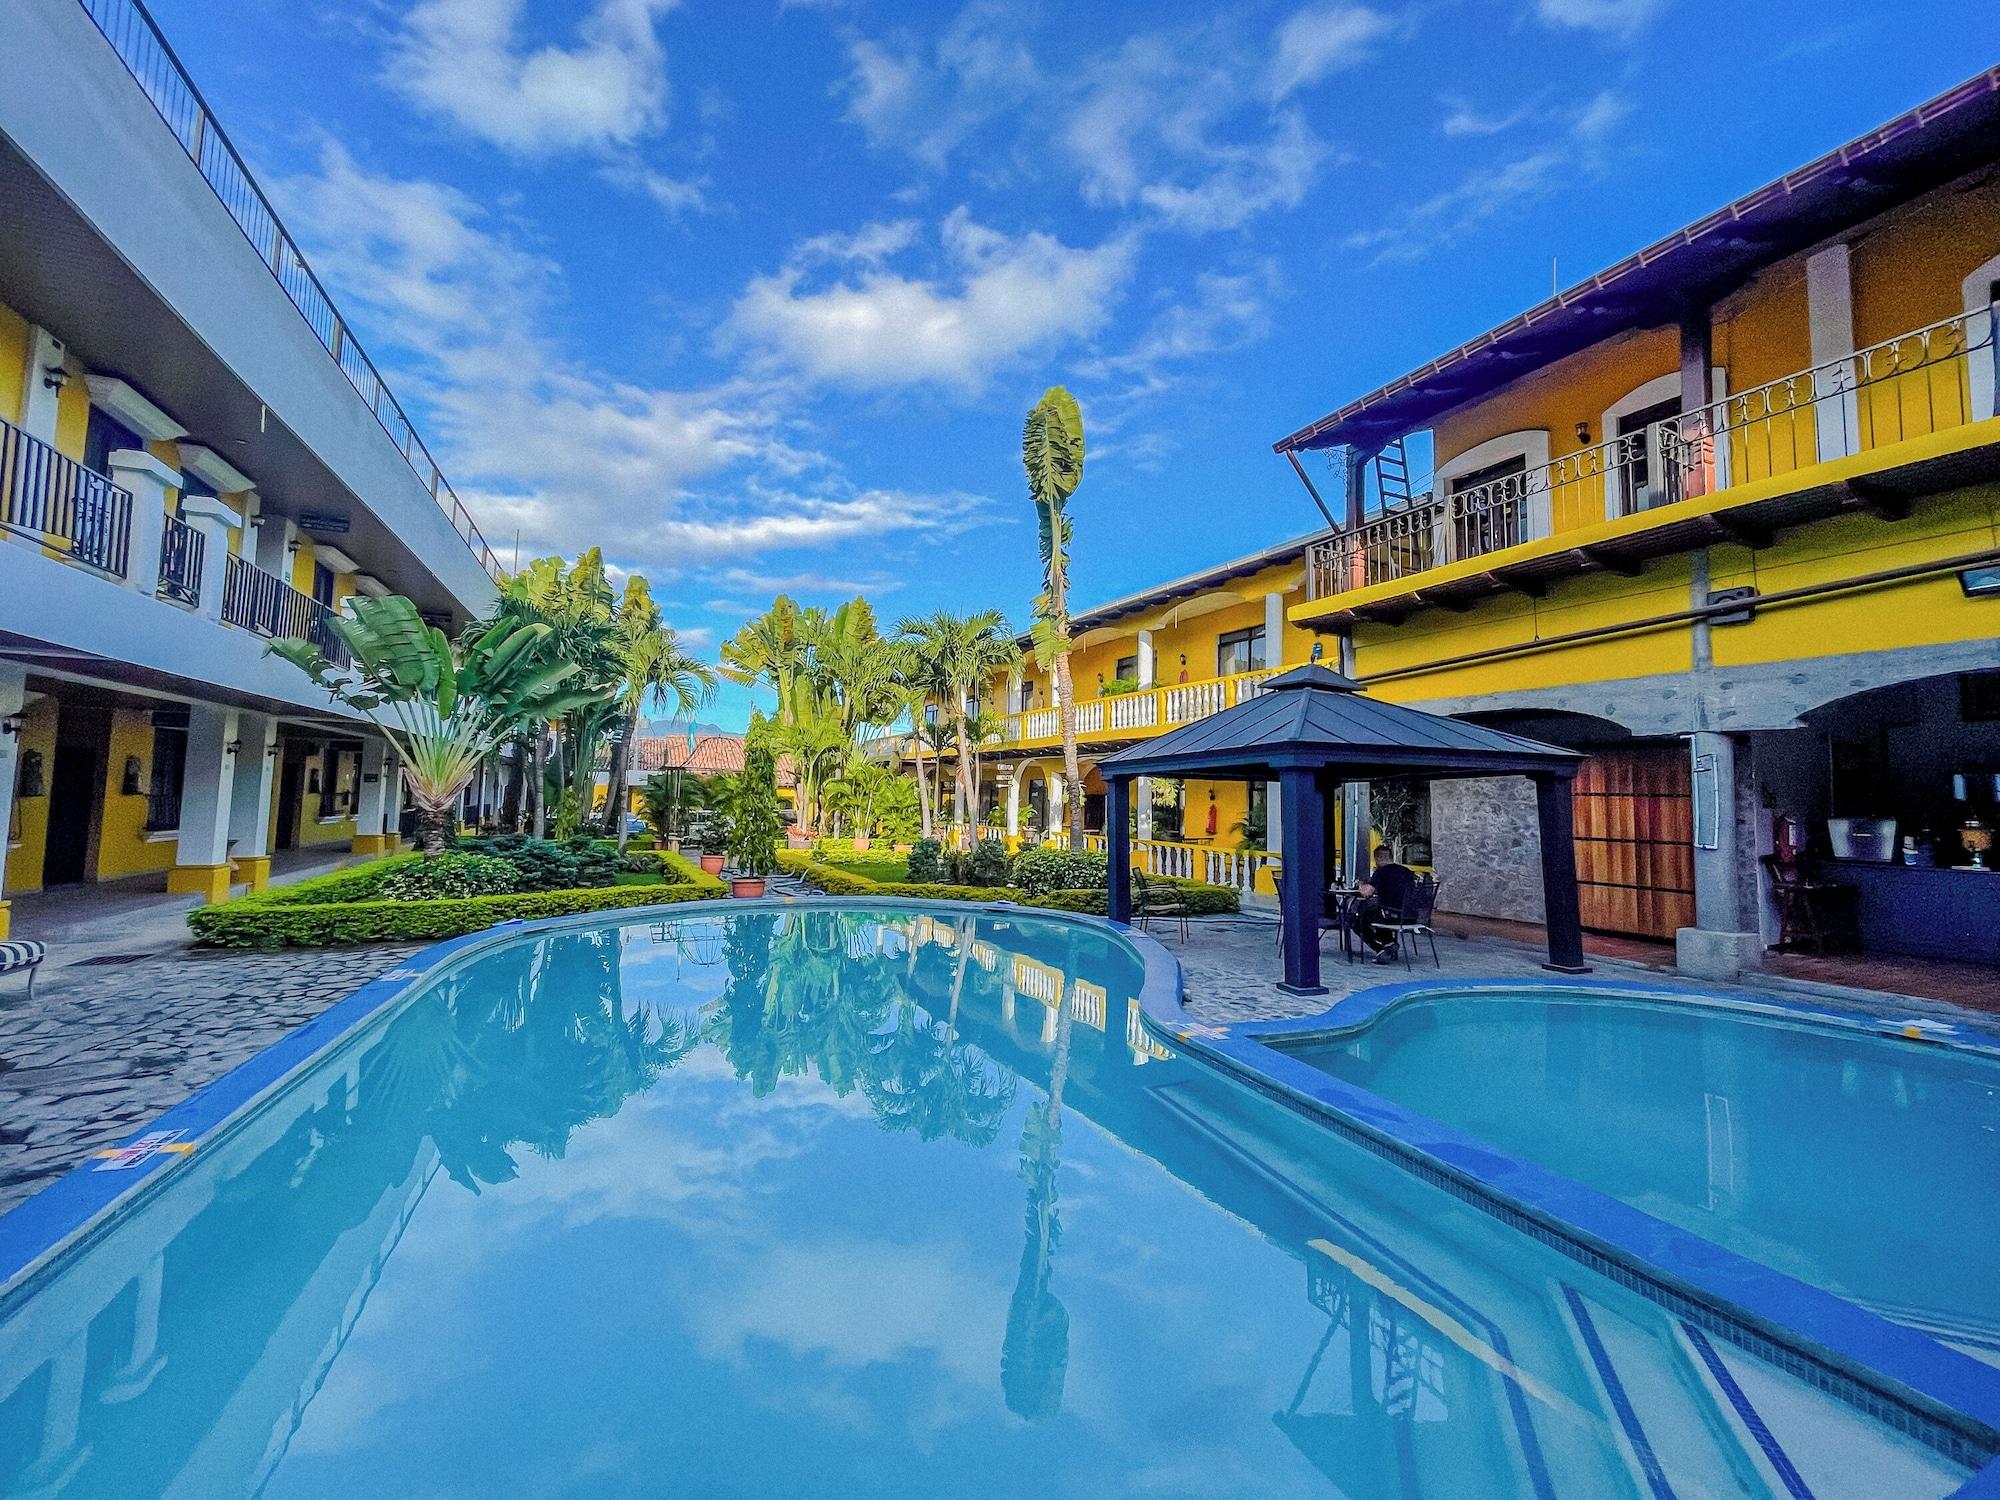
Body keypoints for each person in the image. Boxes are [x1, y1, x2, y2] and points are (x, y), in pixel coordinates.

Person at [1353, 845, 1417, 963]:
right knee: (1377, 912)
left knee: (1358, 919)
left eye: (1376, 859)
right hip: (1410, 917)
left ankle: (1381, 948)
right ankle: (1388, 943)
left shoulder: (1381, 872)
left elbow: (1367, 893)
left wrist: (1360, 886)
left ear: (1379, 858)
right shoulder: (1407, 872)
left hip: (1390, 916)